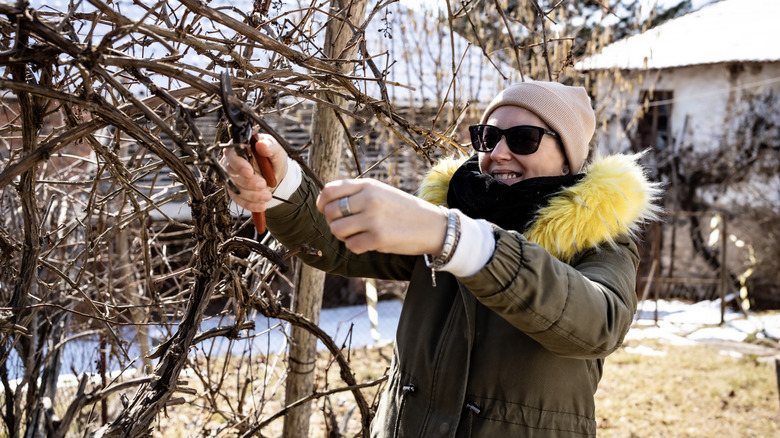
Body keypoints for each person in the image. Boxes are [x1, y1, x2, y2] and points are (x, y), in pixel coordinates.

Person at [222, 81, 661, 437]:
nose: (499, 153)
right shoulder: (450, 209)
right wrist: (281, 184)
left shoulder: (600, 236)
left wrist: (459, 241)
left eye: (524, 139)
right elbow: (338, 243)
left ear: (568, 157)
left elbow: (599, 324)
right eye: (488, 137)